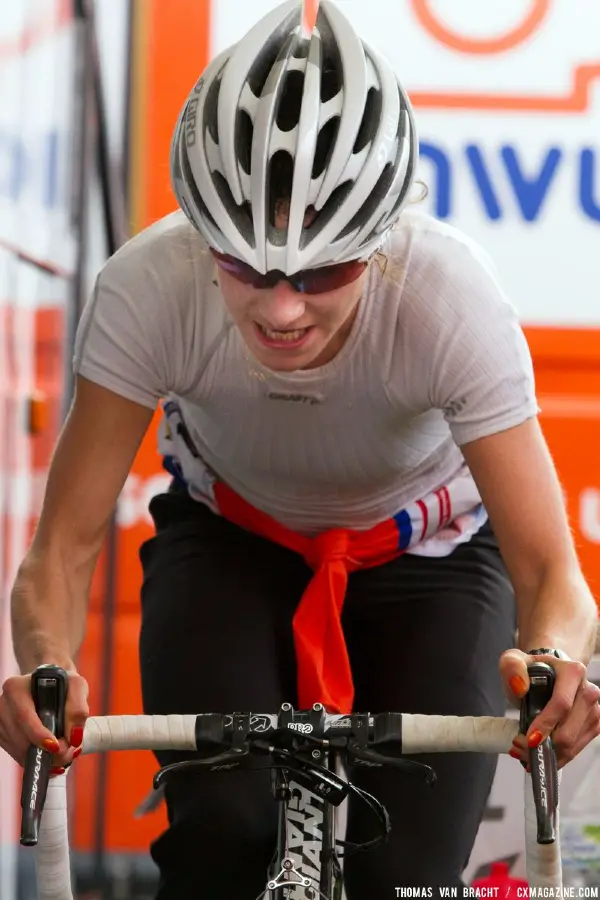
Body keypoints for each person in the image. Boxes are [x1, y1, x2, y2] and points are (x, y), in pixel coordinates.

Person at [1, 0, 599, 896]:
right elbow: (63, 550)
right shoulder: (148, 285)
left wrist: (551, 659)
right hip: (230, 543)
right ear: (201, 231)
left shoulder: (448, 298)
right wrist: (44, 665)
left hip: (430, 557)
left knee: (409, 873)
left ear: (383, 238)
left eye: (324, 270)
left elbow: (552, 572)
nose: (281, 309)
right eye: (241, 264)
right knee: (223, 841)